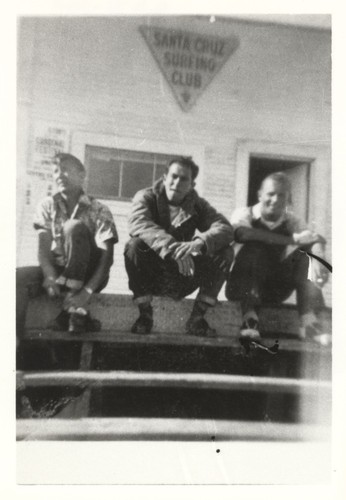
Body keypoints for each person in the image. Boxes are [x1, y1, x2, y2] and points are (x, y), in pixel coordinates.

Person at [124, 156, 234, 337]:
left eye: (184, 179)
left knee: (224, 251)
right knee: (134, 245)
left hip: (183, 275)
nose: (176, 182)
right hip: (153, 275)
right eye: (173, 176)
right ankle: (145, 315)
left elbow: (225, 229)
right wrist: (173, 249)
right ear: (164, 176)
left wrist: (199, 243)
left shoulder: (198, 205)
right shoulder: (146, 197)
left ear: (192, 184)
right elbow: (139, 223)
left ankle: (197, 318)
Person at [16, 153, 118, 339]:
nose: (60, 175)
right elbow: (43, 249)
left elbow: (107, 258)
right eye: (56, 171)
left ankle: (73, 307)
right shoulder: (47, 205)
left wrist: (86, 293)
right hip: (57, 271)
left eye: (66, 170)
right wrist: (49, 274)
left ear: (81, 175)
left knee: (73, 227)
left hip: (90, 275)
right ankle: (12, 342)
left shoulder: (99, 209)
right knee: (15, 278)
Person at [226, 172, 331, 344]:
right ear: (260, 195)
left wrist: (319, 257)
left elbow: (314, 238)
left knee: (305, 257)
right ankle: (249, 320)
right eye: (270, 194)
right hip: (241, 286)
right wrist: (291, 240)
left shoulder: (292, 220)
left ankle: (309, 323)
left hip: (274, 289)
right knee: (255, 247)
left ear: (288, 199)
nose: (275, 200)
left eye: (281, 195)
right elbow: (243, 234)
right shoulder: (244, 214)